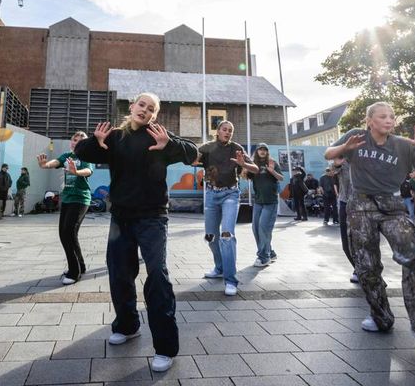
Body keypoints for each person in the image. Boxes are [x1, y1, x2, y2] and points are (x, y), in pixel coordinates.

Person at [75, 92, 198, 373]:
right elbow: (82, 152)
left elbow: (193, 153)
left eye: (151, 108)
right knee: (119, 273)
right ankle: (127, 326)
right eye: (142, 104)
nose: (145, 110)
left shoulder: (158, 136)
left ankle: (165, 347)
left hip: (153, 217)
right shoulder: (116, 137)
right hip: (121, 217)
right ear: (132, 107)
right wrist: (96, 141)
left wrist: (170, 144)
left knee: (157, 275)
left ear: (154, 116)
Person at [324, 101, 415, 359]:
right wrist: (344, 148)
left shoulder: (403, 145)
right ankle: (381, 317)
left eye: (392, 116)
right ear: (370, 120)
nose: (389, 120)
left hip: (392, 206)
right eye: (383, 116)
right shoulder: (356, 137)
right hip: (360, 206)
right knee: (367, 267)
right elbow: (329, 153)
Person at [197, 120, 259, 296]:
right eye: (224, 129)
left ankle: (231, 280)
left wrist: (243, 164)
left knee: (226, 235)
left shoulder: (236, 148)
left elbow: (254, 169)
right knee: (210, 236)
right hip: (211, 194)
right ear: (217, 131)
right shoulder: (207, 147)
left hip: (230, 195)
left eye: (230, 130)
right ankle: (219, 267)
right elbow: (192, 159)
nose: (228, 132)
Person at [37, 131, 93, 285]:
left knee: (68, 233)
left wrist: (76, 171)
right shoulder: (67, 156)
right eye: (75, 140)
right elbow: (55, 162)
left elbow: (88, 171)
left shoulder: (87, 156)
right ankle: (80, 265)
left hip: (80, 199)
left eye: (81, 140)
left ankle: (74, 272)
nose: (77, 142)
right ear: (71, 142)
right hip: (67, 198)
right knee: (66, 233)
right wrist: (45, 165)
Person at [245, 143, 282, 267]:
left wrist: (272, 172)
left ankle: (264, 257)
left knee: (263, 228)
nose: (262, 151)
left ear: (267, 152)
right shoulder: (253, 165)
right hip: (258, 201)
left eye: (264, 149)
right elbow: (246, 176)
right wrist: (245, 165)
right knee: (256, 229)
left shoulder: (272, 163)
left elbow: (281, 178)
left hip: (270, 202)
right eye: (260, 149)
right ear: (257, 152)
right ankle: (270, 252)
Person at [333, 156, 358, 283]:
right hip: (345, 203)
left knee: (365, 242)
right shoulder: (343, 161)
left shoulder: (367, 158)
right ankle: (358, 269)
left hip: (363, 204)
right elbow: (333, 170)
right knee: (346, 244)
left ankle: (370, 272)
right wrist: (337, 164)